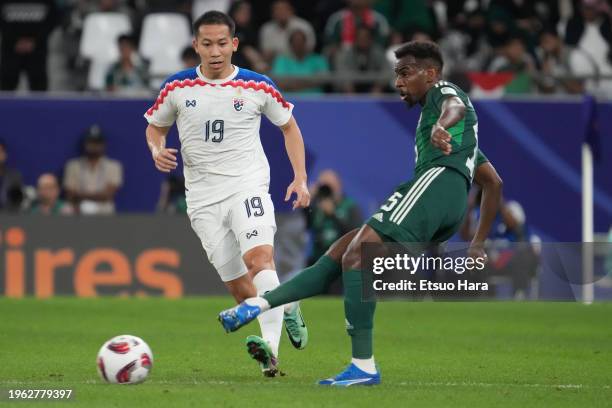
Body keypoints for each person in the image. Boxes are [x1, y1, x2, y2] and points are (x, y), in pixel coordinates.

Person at [218, 41, 502, 386]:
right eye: (396, 74)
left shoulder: (444, 96)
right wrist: (477, 243)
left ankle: (363, 366)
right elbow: (493, 183)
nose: (398, 81)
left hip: (436, 185)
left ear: (430, 74)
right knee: (340, 252)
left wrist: (442, 124)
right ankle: (260, 305)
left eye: (405, 73)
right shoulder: (459, 135)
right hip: (446, 197)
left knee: (357, 256)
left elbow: (453, 104)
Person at [143, 11, 311, 377]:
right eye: (207, 44)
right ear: (195, 46)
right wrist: (157, 150)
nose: (215, 51)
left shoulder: (258, 86)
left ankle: (271, 354)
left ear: (234, 44)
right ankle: (287, 303)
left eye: (222, 43)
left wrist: (300, 178)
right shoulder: (176, 87)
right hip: (202, 199)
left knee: (261, 259)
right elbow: (155, 129)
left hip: (246, 185)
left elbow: (290, 128)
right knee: (242, 293)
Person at [63, 125, 123, 215]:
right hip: (78, 212)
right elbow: (71, 194)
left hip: (104, 213)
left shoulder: (114, 166)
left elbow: (108, 195)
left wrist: (80, 195)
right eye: (91, 142)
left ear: (103, 144)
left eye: (97, 142)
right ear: (85, 144)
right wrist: (97, 196)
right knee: (67, 209)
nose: (94, 146)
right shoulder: (73, 166)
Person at [307, 169, 361, 265]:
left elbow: (356, 233)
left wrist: (333, 214)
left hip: (341, 262)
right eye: (324, 186)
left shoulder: (350, 206)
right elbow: (303, 226)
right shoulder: (317, 207)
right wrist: (308, 202)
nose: (328, 191)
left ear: (339, 186)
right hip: (317, 260)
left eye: (330, 186)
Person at [271, 28, 329, 95]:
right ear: (290, 44)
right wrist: (308, 83)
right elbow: (280, 82)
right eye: (295, 41)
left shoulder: (319, 60)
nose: (298, 44)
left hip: (315, 100)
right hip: (288, 100)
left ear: (306, 43)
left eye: (301, 41)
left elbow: (323, 80)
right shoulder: (281, 60)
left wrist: (294, 85)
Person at [0, 140, 24, 212]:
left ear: (4, 154)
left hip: (9, 217)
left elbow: (18, 202)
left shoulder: (15, 176)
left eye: (0, 151)